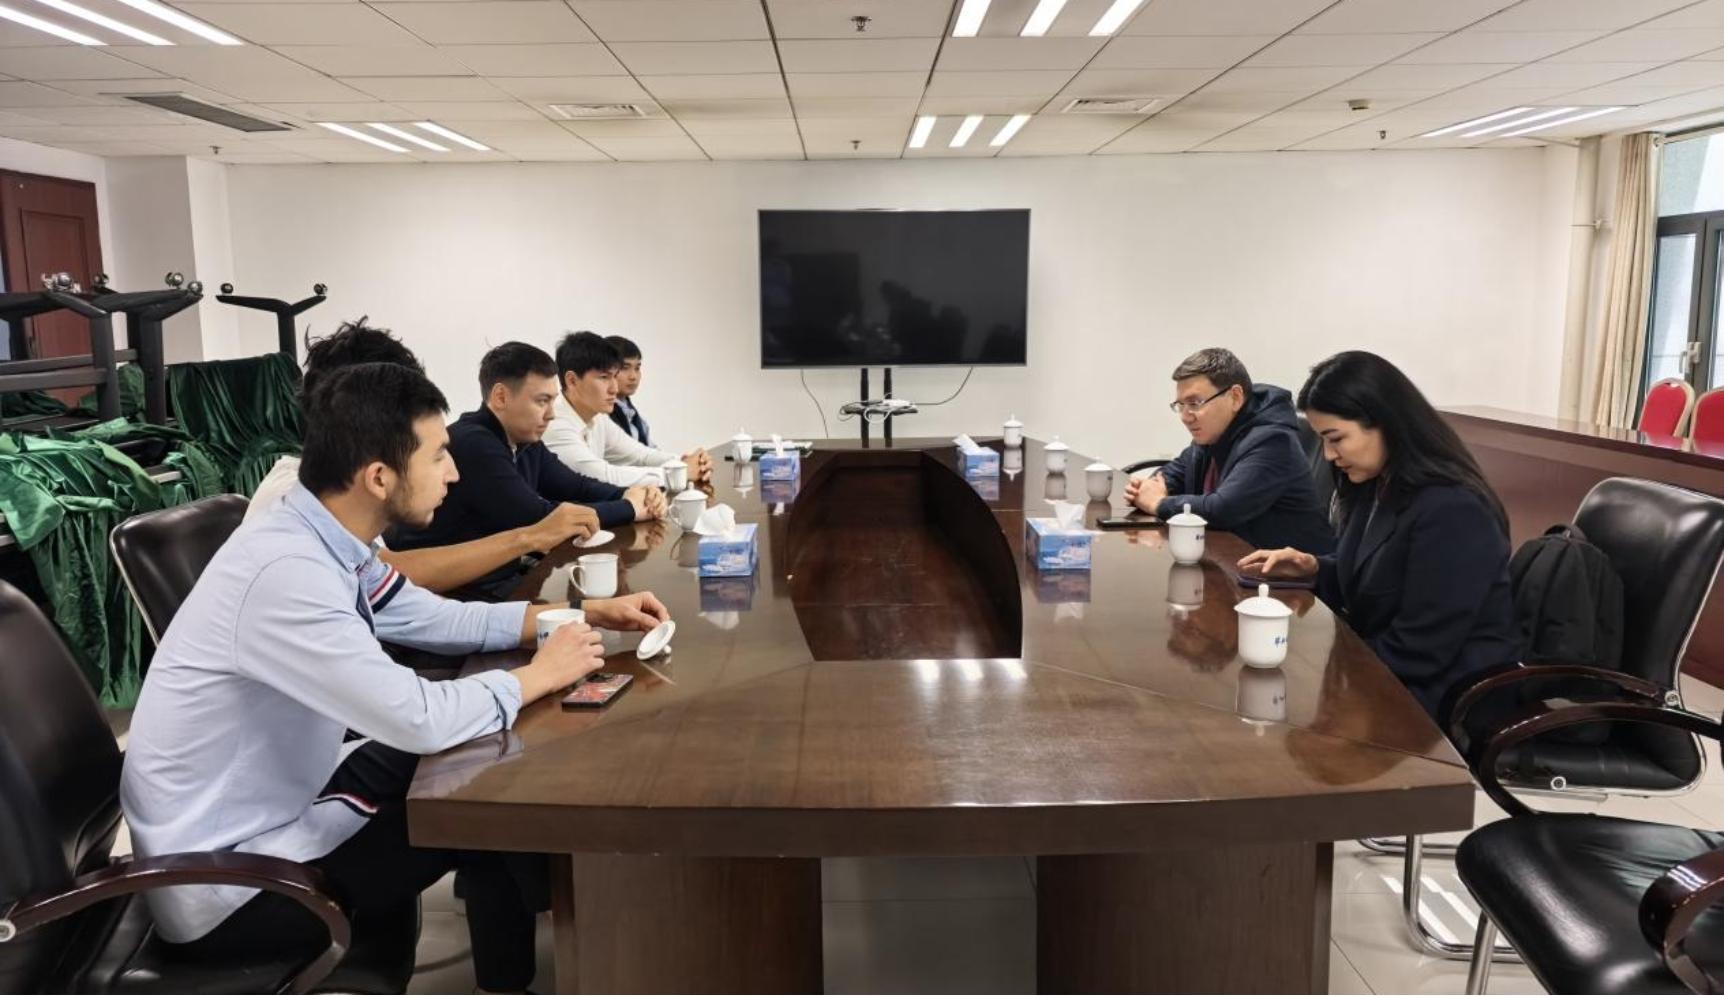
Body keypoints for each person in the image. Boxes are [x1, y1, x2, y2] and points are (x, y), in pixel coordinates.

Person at [121, 361, 671, 992]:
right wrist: (540, 674)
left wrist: (579, 613)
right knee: (484, 799)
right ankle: (586, 928)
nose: (453, 473)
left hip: (282, 801)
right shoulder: (287, 573)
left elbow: (432, 617)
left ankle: (552, 930)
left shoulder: (322, 536)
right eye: (438, 456)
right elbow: (419, 718)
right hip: (238, 884)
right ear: (379, 477)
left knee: (488, 759)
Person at [1237, 351, 1520, 718]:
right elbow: (1375, 579)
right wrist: (1313, 568)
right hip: (1391, 673)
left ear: (1386, 423)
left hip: (1444, 699)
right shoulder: (1376, 485)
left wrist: (1322, 673)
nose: (1328, 455)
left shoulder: (1453, 509)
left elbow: (1421, 650)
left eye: (1336, 439)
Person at [248, 318, 598, 594]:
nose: (451, 473)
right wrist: (528, 537)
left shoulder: (341, 483)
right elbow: (396, 575)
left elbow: (398, 595)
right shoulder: (292, 494)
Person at [389, 342, 666, 594]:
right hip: (458, 594)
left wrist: (632, 493)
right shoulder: (475, 442)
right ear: (500, 397)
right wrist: (630, 507)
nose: (551, 414)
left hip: (500, 580)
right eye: (542, 401)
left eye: (552, 401)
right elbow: (540, 519)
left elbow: (576, 486)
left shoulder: (525, 439)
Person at [1125, 347, 1335, 554]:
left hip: (1292, 572)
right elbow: (1175, 471)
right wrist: (1154, 486)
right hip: (1232, 558)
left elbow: (1223, 509)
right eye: (1180, 405)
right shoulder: (1213, 433)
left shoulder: (1272, 440)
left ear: (1235, 397)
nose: (1185, 416)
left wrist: (1158, 503)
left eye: (1195, 403)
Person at [544, 331, 712, 488]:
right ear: (572, 381)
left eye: (614, 376)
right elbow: (605, 476)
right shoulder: (556, 423)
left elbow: (641, 455)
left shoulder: (596, 415)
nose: (614, 389)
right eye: (604, 377)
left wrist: (689, 463)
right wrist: (680, 474)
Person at [606, 335, 652, 445]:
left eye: (637, 368)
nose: (633, 376)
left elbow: (651, 451)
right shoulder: (600, 415)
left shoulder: (637, 419)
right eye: (625, 368)